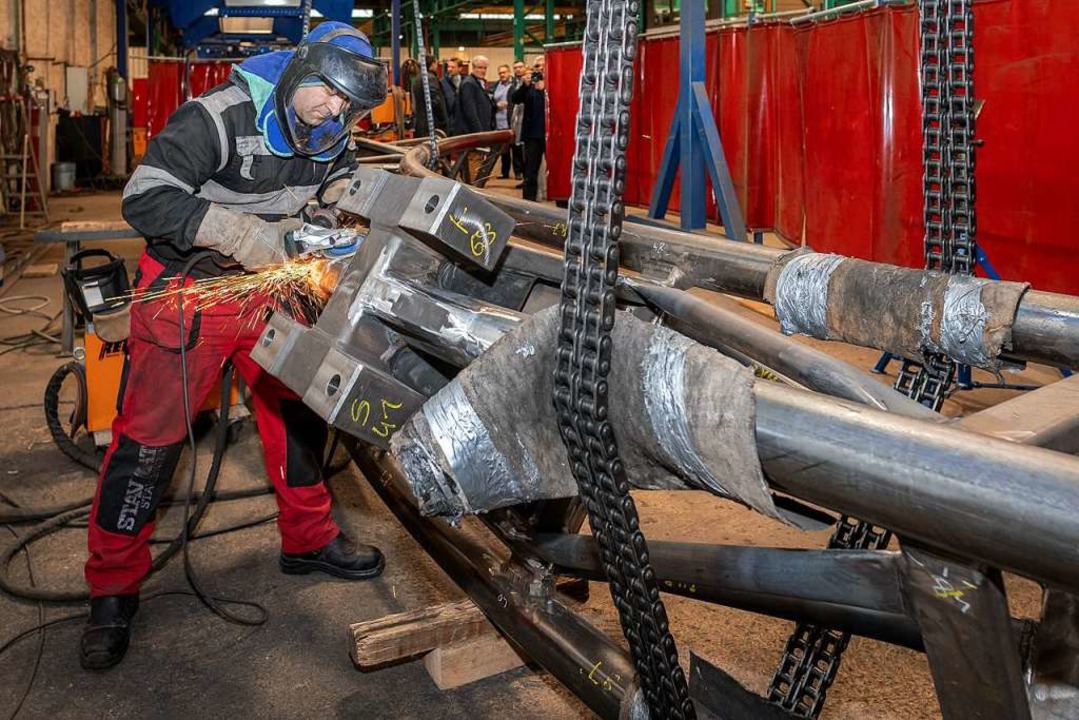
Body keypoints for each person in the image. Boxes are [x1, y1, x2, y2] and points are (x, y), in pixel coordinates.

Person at [79, 22, 389, 671]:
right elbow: (145, 197)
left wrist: (331, 225)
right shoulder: (217, 119)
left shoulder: (335, 134)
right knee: (150, 443)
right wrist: (239, 234)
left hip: (275, 291)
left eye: (348, 106)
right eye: (326, 94)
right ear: (299, 71)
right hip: (190, 291)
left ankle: (307, 540)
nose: (333, 112)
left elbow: (341, 193)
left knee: (296, 417)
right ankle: (111, 588)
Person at [511, 55, 547, 201]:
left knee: (558, 171)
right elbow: (515, 99)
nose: (539, 69)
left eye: (542, 66)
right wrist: (525, 85)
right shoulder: (529, 86)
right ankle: (529, 203)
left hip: (551, 135)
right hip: (532, 134)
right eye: (537, 66)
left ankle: (561, 206)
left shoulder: (555, 82)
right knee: (530, 171)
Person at [411, 54, 448, 137]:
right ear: (432, 64)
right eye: (435, 63)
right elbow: (435, 102)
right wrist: (444, 120)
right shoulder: (431, 78)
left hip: (420, 124)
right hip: (432, 124)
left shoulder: (416, 79)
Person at [458, 54, 493, 135]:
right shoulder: (469, 84)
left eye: (485, 68)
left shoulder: (479, 82)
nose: (483, 71)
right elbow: (470, 111)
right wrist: (479, 133)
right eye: (480, 67)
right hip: (474, 132)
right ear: (473, 68)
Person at [491, 64, 515, 179]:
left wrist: (509, 104)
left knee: (516, 149)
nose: (502, 75)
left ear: (509, 72)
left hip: (511, 120)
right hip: (498, 121)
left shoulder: (515, 84)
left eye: (504, 72)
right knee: (503, 150)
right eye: (500, 73)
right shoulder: (495, 86)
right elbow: (490, 100)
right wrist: (496, 105)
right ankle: (504, 172)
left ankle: (518, 173)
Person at [509, 60, 527, 181]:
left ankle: (525, 174)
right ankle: (518, 172)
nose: (518, 69)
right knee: (515, 147)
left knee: (524, 149)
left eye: (520, 67)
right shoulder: (513, 84)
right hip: (515, 119)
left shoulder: (529, 82)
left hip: (526, 119)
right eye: (515, 68)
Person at [440, 57, 463, 135]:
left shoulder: (465, 81)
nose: (449, 69)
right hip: (450, 123)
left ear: (460, 68)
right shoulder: (442, 82)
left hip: (463, 122)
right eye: (448, 67)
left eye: (453, 67)